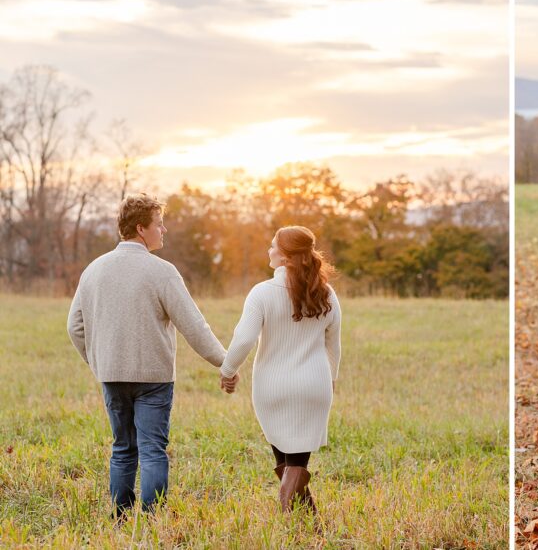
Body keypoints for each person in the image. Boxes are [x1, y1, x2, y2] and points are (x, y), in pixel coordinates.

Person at [67, 193, 233, 517]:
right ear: (141, 229)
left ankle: (121, 518)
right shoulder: (162, 272)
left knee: (122, 449)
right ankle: (153, 520)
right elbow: (194, 326)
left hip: (112, 375)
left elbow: (75, 327)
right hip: (154, 379)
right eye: (159, 224)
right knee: (153, 451)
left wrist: (99, 361)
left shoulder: (94, 270)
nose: (164, 230)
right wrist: (225, 362)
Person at [219, 225, 342, 513]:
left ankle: (292, 520)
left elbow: (244, 339)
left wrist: (228, 370)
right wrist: (331, 380)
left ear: (286, 257)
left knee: (286, 458)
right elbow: (333, 345)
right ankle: (306, 521)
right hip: (314, 385)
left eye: (273, 245)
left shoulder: (261, 292)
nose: (269, 250)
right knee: (294, 462)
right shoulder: (326, 293)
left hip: (272, 388)